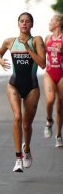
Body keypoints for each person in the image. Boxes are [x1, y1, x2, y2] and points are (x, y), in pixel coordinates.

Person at [0, 12, 46, 172]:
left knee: (26, 124)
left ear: (32, 24)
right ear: (18, 24)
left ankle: (27, 149)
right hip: (14, 85)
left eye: (27, 21)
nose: (24, 24)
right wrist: (0, 60)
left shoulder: (37, 40)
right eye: (22, 21)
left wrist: (28, 48)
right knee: (17, 116)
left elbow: (43, 64)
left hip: (32, 87)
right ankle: (18, 158)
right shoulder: (10, 41)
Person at [43, 14, 63, 147]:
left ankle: (58, 136)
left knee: (60, 107)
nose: (49, 23)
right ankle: (49, 121)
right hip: (50, 73)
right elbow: (41, 55)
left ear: (58, 23)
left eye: (51, 20)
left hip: (61, 74)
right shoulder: (47, 38)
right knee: (50, 99)